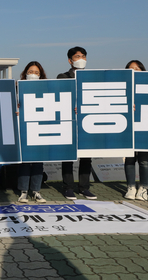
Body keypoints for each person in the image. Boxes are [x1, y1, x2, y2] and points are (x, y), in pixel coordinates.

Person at [57, 46, 97, 200]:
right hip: (69, 121)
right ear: (70, 60)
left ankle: (84, 187)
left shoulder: (92, 77)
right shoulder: (63, 76)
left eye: (83, 56)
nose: (81, 59)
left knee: (87, 156)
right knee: (68, 155)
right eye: (77, 56)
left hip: (88, 121)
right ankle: (68, 187)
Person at [17, 61, 48, 203]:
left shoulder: (47, 89)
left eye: (36, 72)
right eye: (30, 72)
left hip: (40, 128)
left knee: (38, 162)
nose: (33, 75)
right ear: (25, 74)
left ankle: (36, 191)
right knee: (25, 161)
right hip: (23, 128)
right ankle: (23, 191)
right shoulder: (17, 88)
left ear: (41, 75)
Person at [123, 60, 148, 201]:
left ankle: (144, 188)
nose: (134, 71)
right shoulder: (123, 87)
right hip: (128, 127)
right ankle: (131, 187)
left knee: (144, 160)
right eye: (130, 69)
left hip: (146, 126)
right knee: (129, 159)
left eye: (137, 68)